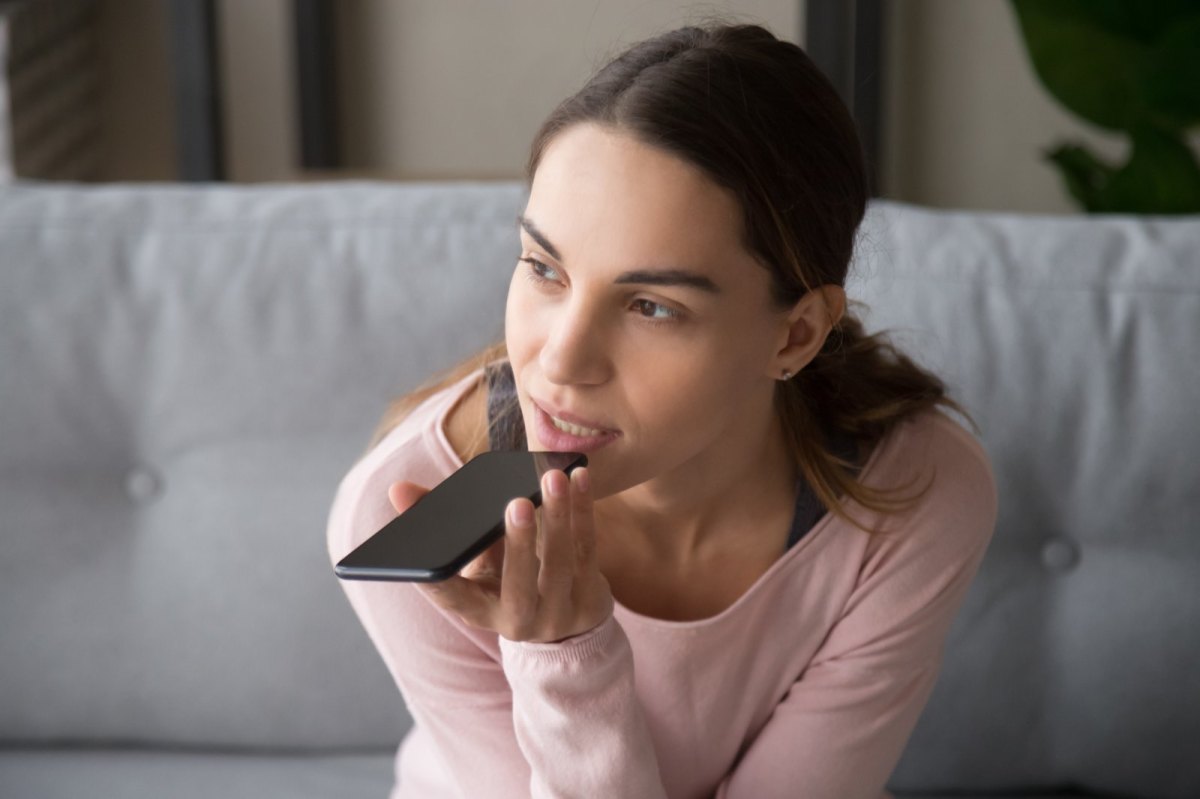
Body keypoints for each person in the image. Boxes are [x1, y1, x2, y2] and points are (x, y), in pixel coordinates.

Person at [326, 19, 997, 799]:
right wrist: (561, 657)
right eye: (544, 267)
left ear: (797, 332)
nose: (560, 360)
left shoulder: (913, 494)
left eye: (651, 306)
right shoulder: (401, 512)